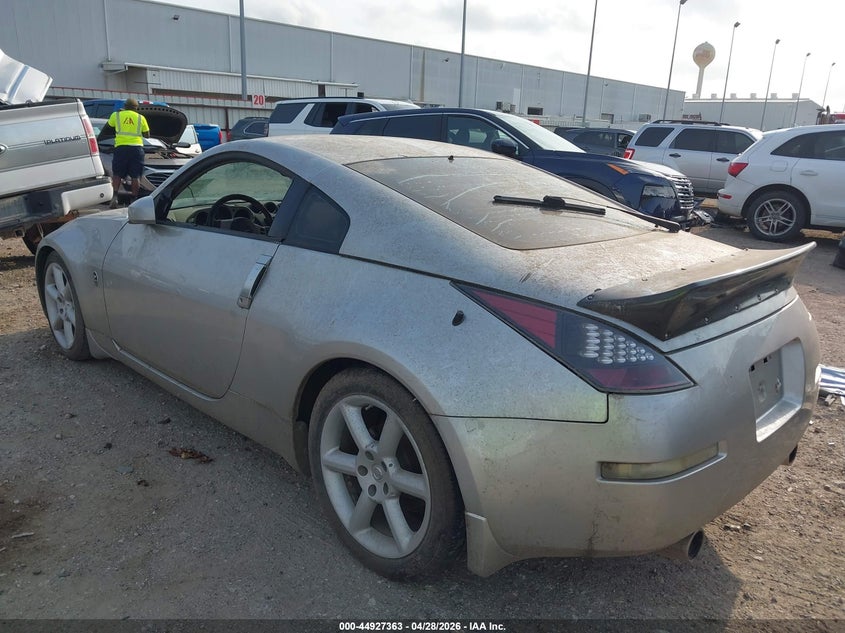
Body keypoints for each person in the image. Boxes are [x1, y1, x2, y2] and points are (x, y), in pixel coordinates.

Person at [102, 98, 150, 208]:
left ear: (125, 106)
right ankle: (134, 200)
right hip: (136, 149)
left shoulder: (116, 115)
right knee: (135, 176)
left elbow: (108, 127)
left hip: (121, 148)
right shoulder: (141, 118)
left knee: (117, 174)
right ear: (136, 108)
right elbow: (147, 135)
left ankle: (115, 197)